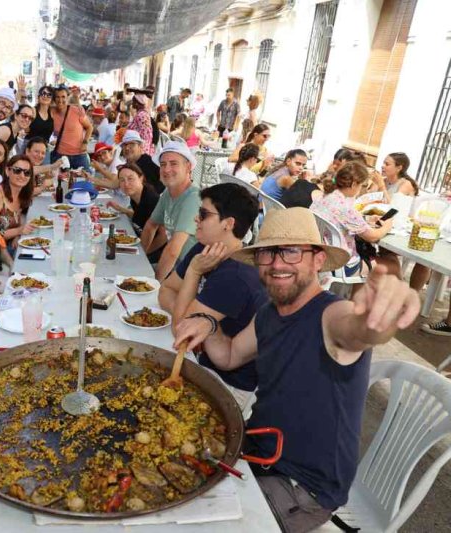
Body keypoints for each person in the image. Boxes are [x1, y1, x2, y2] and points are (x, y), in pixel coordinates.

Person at [174, 207, 420, 533]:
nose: (277, 264)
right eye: (267, 253)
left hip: (301, 486)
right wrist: (209, 324)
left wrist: (381, 315)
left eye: (291, 251)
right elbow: (230, 356)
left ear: (318, 260)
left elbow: (359, 330)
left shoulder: (333, 314)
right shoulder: (269, 312)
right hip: (253, 451)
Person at [159, 183, 264, 392]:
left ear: (228, 224)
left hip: (225, 384)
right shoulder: (205, 248)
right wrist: (186, 311)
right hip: (197, 358)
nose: (196, 219)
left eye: (203, 214)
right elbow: (165, 290)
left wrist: (193, 272)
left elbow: (179, 331)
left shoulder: (236, 275)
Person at [311, 161, 396, 278]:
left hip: (317, 255)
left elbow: (341, 220)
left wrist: (366, 220)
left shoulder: (322, 196)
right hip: (340, 264)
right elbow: (372, 236)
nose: (360, 189)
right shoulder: (346, 208)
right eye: (362, 185)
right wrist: (387, 226)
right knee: (394, 265)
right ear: (354, 184)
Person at [141, 142, 201, 280]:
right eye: (163, 165)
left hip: (191, 273)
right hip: (176, 266)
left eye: (174, 164)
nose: (167, 169)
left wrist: (154, 284)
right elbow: (151, 225)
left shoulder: (194, 198)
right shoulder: (169, 192)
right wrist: (140, 256)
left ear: (188, 167)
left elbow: (174, 250)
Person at [0, 155, 35, 255]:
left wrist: (17, 235)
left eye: (27, 173)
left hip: (8, 247)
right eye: (17, 170)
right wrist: (18, 231)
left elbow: (17, 223)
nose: (22, 176)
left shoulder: (20, 195)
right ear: (7, 171)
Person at [106, 162, 160, 235]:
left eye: (130, 178)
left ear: (141, 178)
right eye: (122, 180)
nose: (126, 184)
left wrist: (143, 243)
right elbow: (140, 216)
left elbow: (163, 235)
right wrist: (120, 208)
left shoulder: (151, 200)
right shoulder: (135, 196)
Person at [50, 86, 93, 168]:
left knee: (85, 176)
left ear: (68, 97)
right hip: (61, 156)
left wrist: (85, 142)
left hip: (79, 155)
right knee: (60, 176)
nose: (60, 100)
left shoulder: (77, 110)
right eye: (57, 97)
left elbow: (89, 127)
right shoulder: (51, 112)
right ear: (54, 99)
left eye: (63, 97)